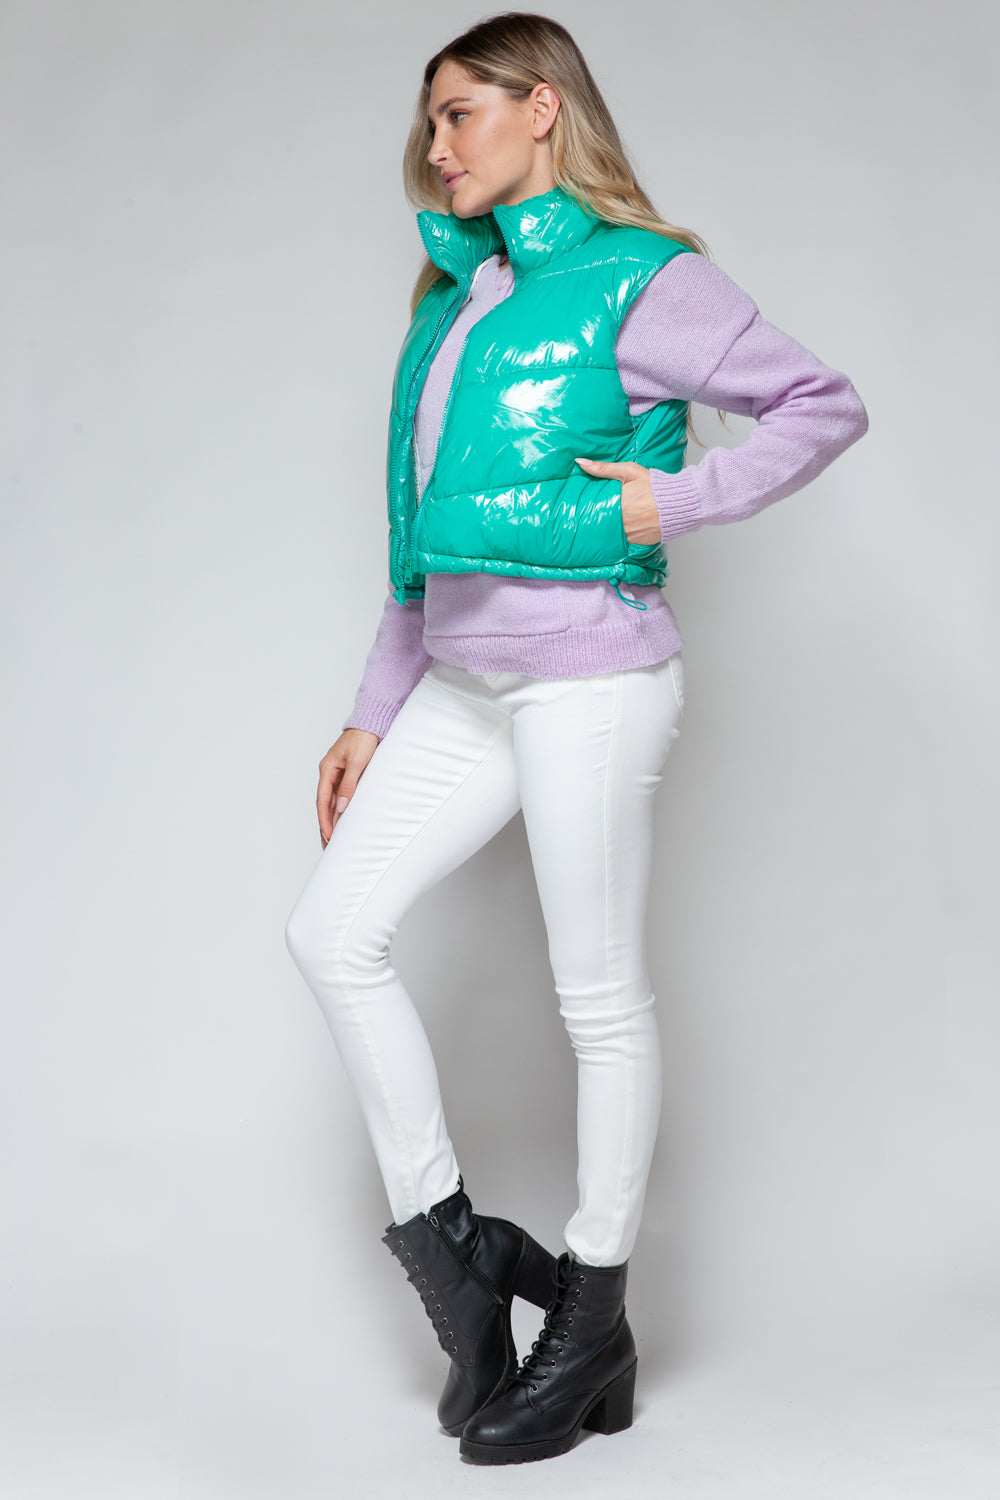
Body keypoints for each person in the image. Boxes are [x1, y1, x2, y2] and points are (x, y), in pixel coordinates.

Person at [284, 10, 869, 1467]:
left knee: (596, 998)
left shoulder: (641, 277)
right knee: (331, 933)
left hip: (591, 681)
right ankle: (461, 1255)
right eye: (429, 121)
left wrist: (670, 501)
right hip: (462, 684)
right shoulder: (455, 299)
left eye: (460, 113)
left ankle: (592, 1312)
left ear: (542, 108)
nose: (436, 146)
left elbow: (821, 403)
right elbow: (420, 543)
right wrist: (371, 711)